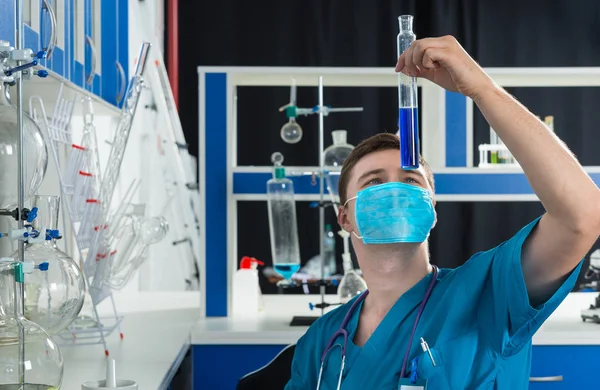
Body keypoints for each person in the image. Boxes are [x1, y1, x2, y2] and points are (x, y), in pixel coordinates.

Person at [284, 35, 600, 390]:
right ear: (344, 218)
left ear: (431, 210)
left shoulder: (485, 295)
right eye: (374, 183)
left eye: (411, 181)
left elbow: (582, 217)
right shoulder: (322, 341)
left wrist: (482, 89)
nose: (396, 192)